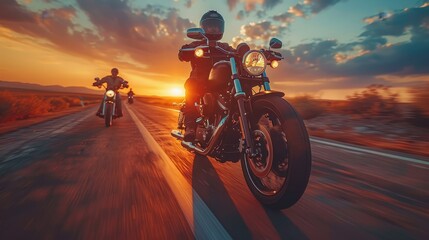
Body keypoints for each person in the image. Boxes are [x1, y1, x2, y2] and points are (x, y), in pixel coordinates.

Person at [178, 10, 235, 141]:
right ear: (203, 28)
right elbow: (182, 53)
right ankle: (191, 126)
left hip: (221, 84)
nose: (214, 29)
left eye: (217, 26)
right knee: (191, 86)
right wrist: (185, 52)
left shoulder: (224, 47)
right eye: (210, 26)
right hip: (200, 81)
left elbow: (237, 52)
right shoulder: (197, 44)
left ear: (221, 28)